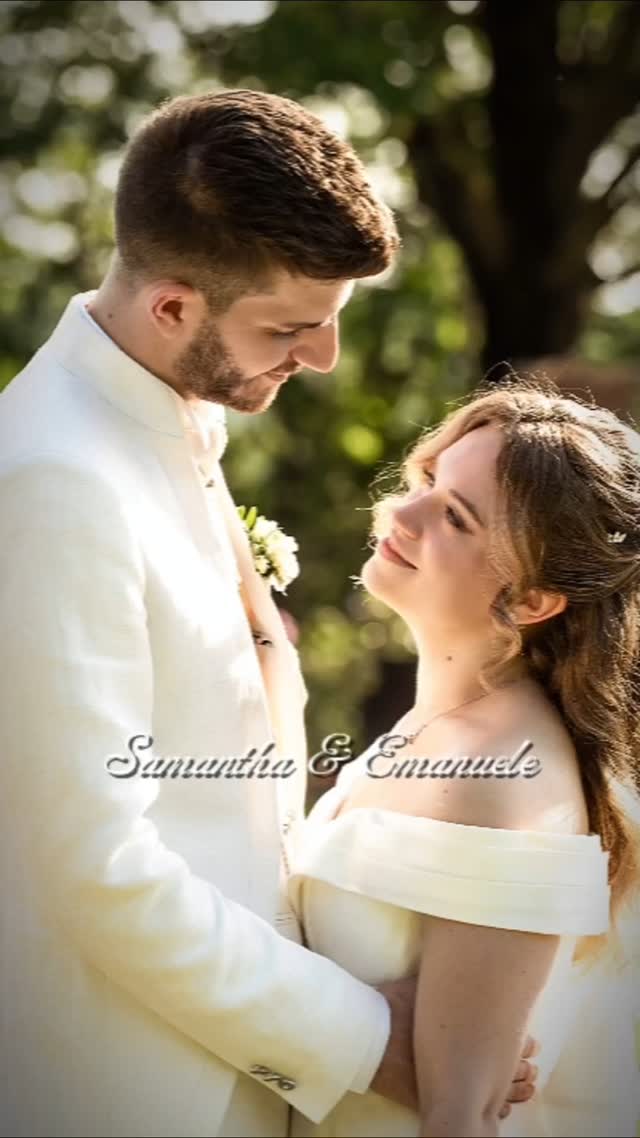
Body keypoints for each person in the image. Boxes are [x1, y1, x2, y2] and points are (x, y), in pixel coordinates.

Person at [0, 90, 535, 1138]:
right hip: (136, 1095)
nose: (325, 355)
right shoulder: (50, 481)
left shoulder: (174, 428)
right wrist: (368, 1040)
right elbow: (93, 863)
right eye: (291, 327)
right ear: (171, 308)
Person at [287, 379, 640, 1137]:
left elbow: (463, 1119)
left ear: (529, 601)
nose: (402, 513)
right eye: (427, 481)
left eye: (454, 517)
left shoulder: (503, 777)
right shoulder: (434, 728)